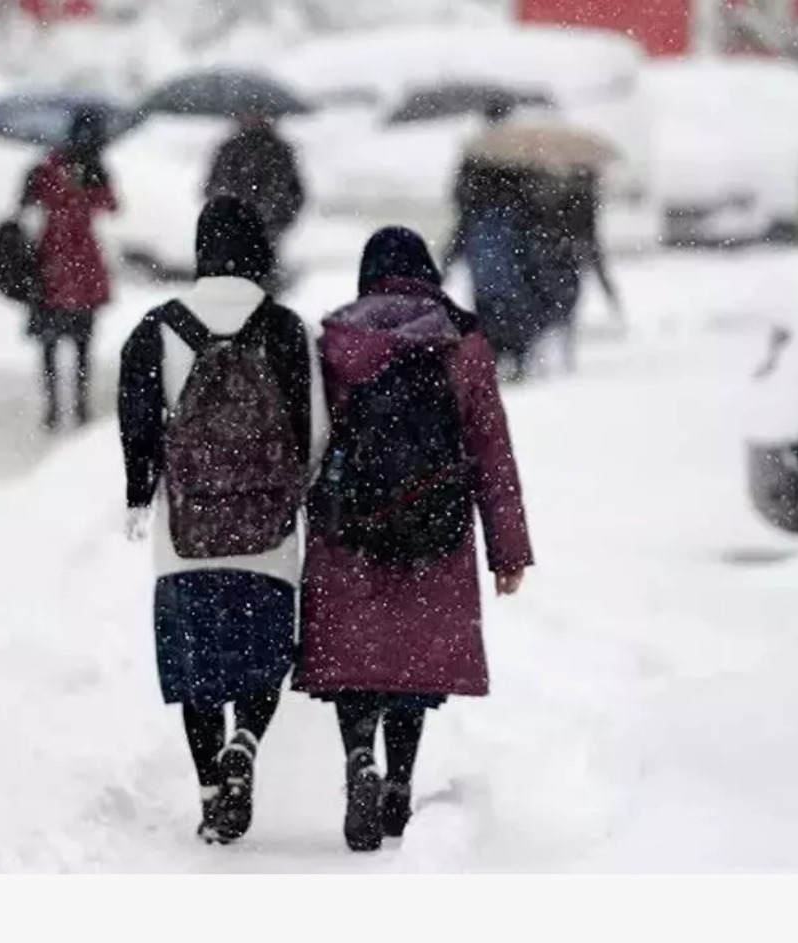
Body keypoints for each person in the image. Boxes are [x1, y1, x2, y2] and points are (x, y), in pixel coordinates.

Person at [296, 226, 533, 852]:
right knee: (411, 663)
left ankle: (359, 759)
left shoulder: (336, 341)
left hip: (351, 529)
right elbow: (492, 453)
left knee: (357, 663)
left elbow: (311, 443)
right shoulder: (461, 342)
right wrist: (508, 551)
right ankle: (398, 782)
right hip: (437, 527)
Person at [118, 196, 325, 845]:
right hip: (267, 536)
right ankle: (245, 741)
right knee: (262, 661)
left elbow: (137, 425)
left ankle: (213, 791)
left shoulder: (157, 328)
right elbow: (313, 432)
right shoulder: (286, 329)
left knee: (198, 669)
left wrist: (140, 490)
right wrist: (291, 490)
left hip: (187, 537)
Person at [20, 107, 119, 431]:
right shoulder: (85, 167)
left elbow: (28, 204)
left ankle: (56, 406)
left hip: (53, 263)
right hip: (78, 262)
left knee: (53, 342)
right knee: (80, 341)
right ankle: (77, 404)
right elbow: (109, 205)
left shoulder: (50, 166)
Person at [442, 156, 546, 382]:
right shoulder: (516, 209)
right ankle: (513, 360)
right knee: (509, 321)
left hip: (485, 278)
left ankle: (498, 361)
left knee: (490, 323)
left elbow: (459, 240)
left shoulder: (475, 209)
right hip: (507, 279)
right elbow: (528, 247)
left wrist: (447, 263)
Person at [528, 168, 623, 373]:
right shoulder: (582, 198)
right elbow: (591, 236)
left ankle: (552, 352)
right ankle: (562, 353)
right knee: (566, 307)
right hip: (570, 257)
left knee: (553, 306)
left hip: (557, 257)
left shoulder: (557, 194)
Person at [203, 111, 305, 289]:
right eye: (249, 112)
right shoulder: (230, 148)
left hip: (268, 226)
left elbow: (295, 191)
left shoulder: (278, 150)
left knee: (264, 278)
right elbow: (212, 186)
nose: (253, 118)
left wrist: (280, 216)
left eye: (259, 113)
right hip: (235, 228)